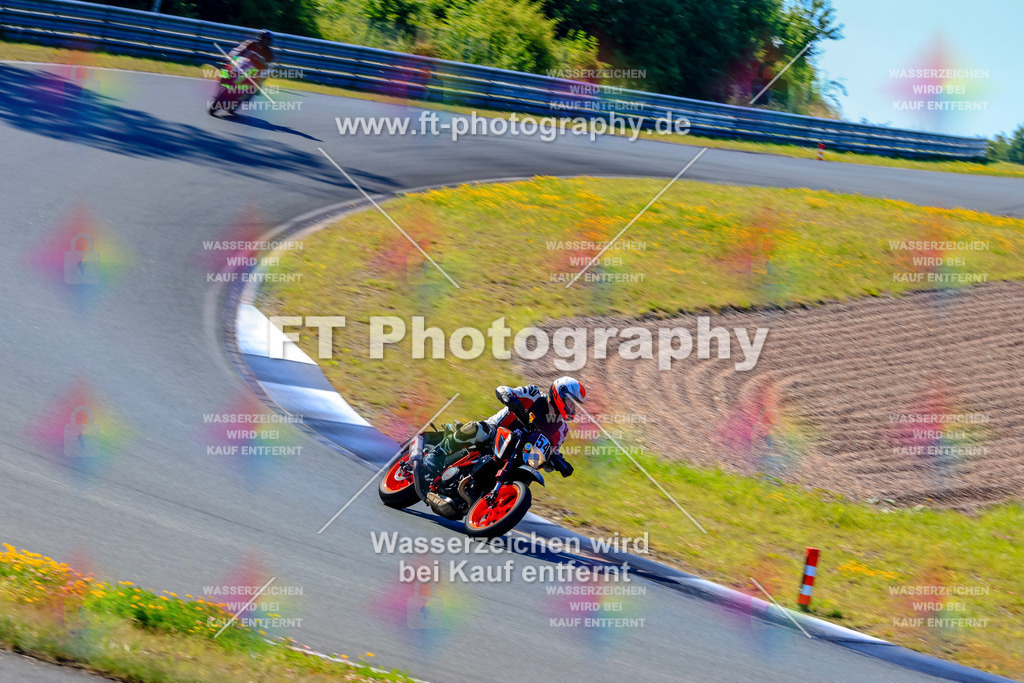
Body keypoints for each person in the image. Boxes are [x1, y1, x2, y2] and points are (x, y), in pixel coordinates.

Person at [431, 377, 586, 478]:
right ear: (560, 394)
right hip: (496, 430)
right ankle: (438, 453)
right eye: (571, 402)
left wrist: (557, 462)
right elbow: (505, 390)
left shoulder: (561, 429)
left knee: (526, 474)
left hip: (518, 453)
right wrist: (507, 396)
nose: (573, 408)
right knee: (479, 429)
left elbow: (551, 451)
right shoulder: (534, 395)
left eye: (575, 405)